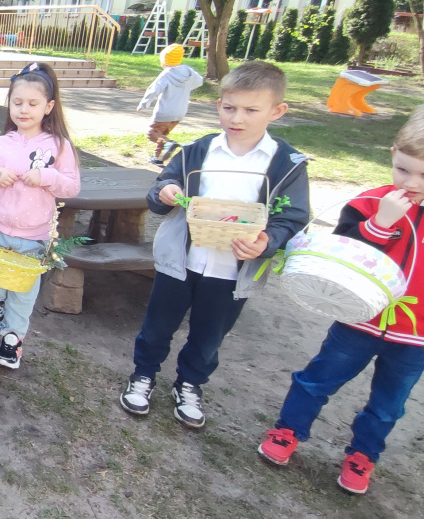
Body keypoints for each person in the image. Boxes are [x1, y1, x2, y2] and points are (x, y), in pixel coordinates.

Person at [120, 60, 310, 429]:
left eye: (251, 110)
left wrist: (267, 241)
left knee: (209, 335)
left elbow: (293, 216)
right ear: (219, 104)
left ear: (277, 111)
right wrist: (166, 191)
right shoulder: (197, 150)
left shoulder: (286, 164)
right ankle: (143, 374)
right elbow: (161, 189)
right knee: (158, 324)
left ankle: (190, 383)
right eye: (229, 107)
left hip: (232, 272)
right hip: (182, 261)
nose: (237, 118)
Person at [259, 107, 423, 495]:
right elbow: (342, 249)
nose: (411, 183)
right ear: (392, 155)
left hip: (415, 335)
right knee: (319, 379)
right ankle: (287, 430)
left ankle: (363, 455)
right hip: (357, 318)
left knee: (389, 404)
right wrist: (380, 224)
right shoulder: (371, 202)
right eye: (402, 170)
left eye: (423, 174)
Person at [0, 62, 80, 369]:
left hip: (34, 237)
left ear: (49, 106)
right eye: (17, 102)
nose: (23, 110)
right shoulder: (0, 143)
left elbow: (72, 187)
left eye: (33, 103)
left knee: (23, 291)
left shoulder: (59, 146)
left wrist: (47, 176)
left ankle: (12, 338)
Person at [137, 44, 204, 164]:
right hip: (180, 112)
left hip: (165, 111)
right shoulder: (189, 72)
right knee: (161, 134)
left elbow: (154, 89)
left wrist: (144, 104)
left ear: (165, 61)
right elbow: (200, 81)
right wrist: (187, 87)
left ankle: (169, 144)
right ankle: (158, 158)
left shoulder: (167, 73)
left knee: (152, 133)